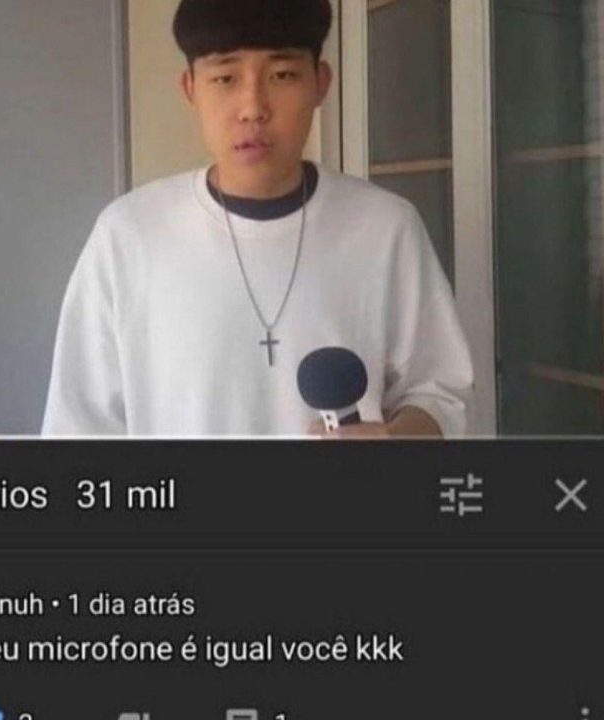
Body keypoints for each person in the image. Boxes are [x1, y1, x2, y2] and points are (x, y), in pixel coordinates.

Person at [42, 0, 473, 438]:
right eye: (225, 78)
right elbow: (78, 428)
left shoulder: (385, 228)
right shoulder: (128, 235)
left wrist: (394, 440)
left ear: (320, 83)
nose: (253, 108)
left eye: (282, 75)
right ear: (190, 88)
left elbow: (438, 393)